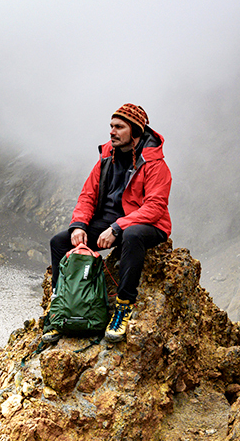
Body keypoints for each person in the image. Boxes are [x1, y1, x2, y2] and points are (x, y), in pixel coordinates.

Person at [44, 103, 172, 344]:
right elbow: (87, 196)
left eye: (119, 127)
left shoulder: (155, 164)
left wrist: (118, 227)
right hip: (109, 223)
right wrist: (79, 225)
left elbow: (155, 207)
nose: (112, 132)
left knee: (133, 236)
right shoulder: (106, 158)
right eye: (111, 126)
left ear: (135, 131)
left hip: (148, 224)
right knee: (59, 242)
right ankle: (59, 306)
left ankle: (123, 307)